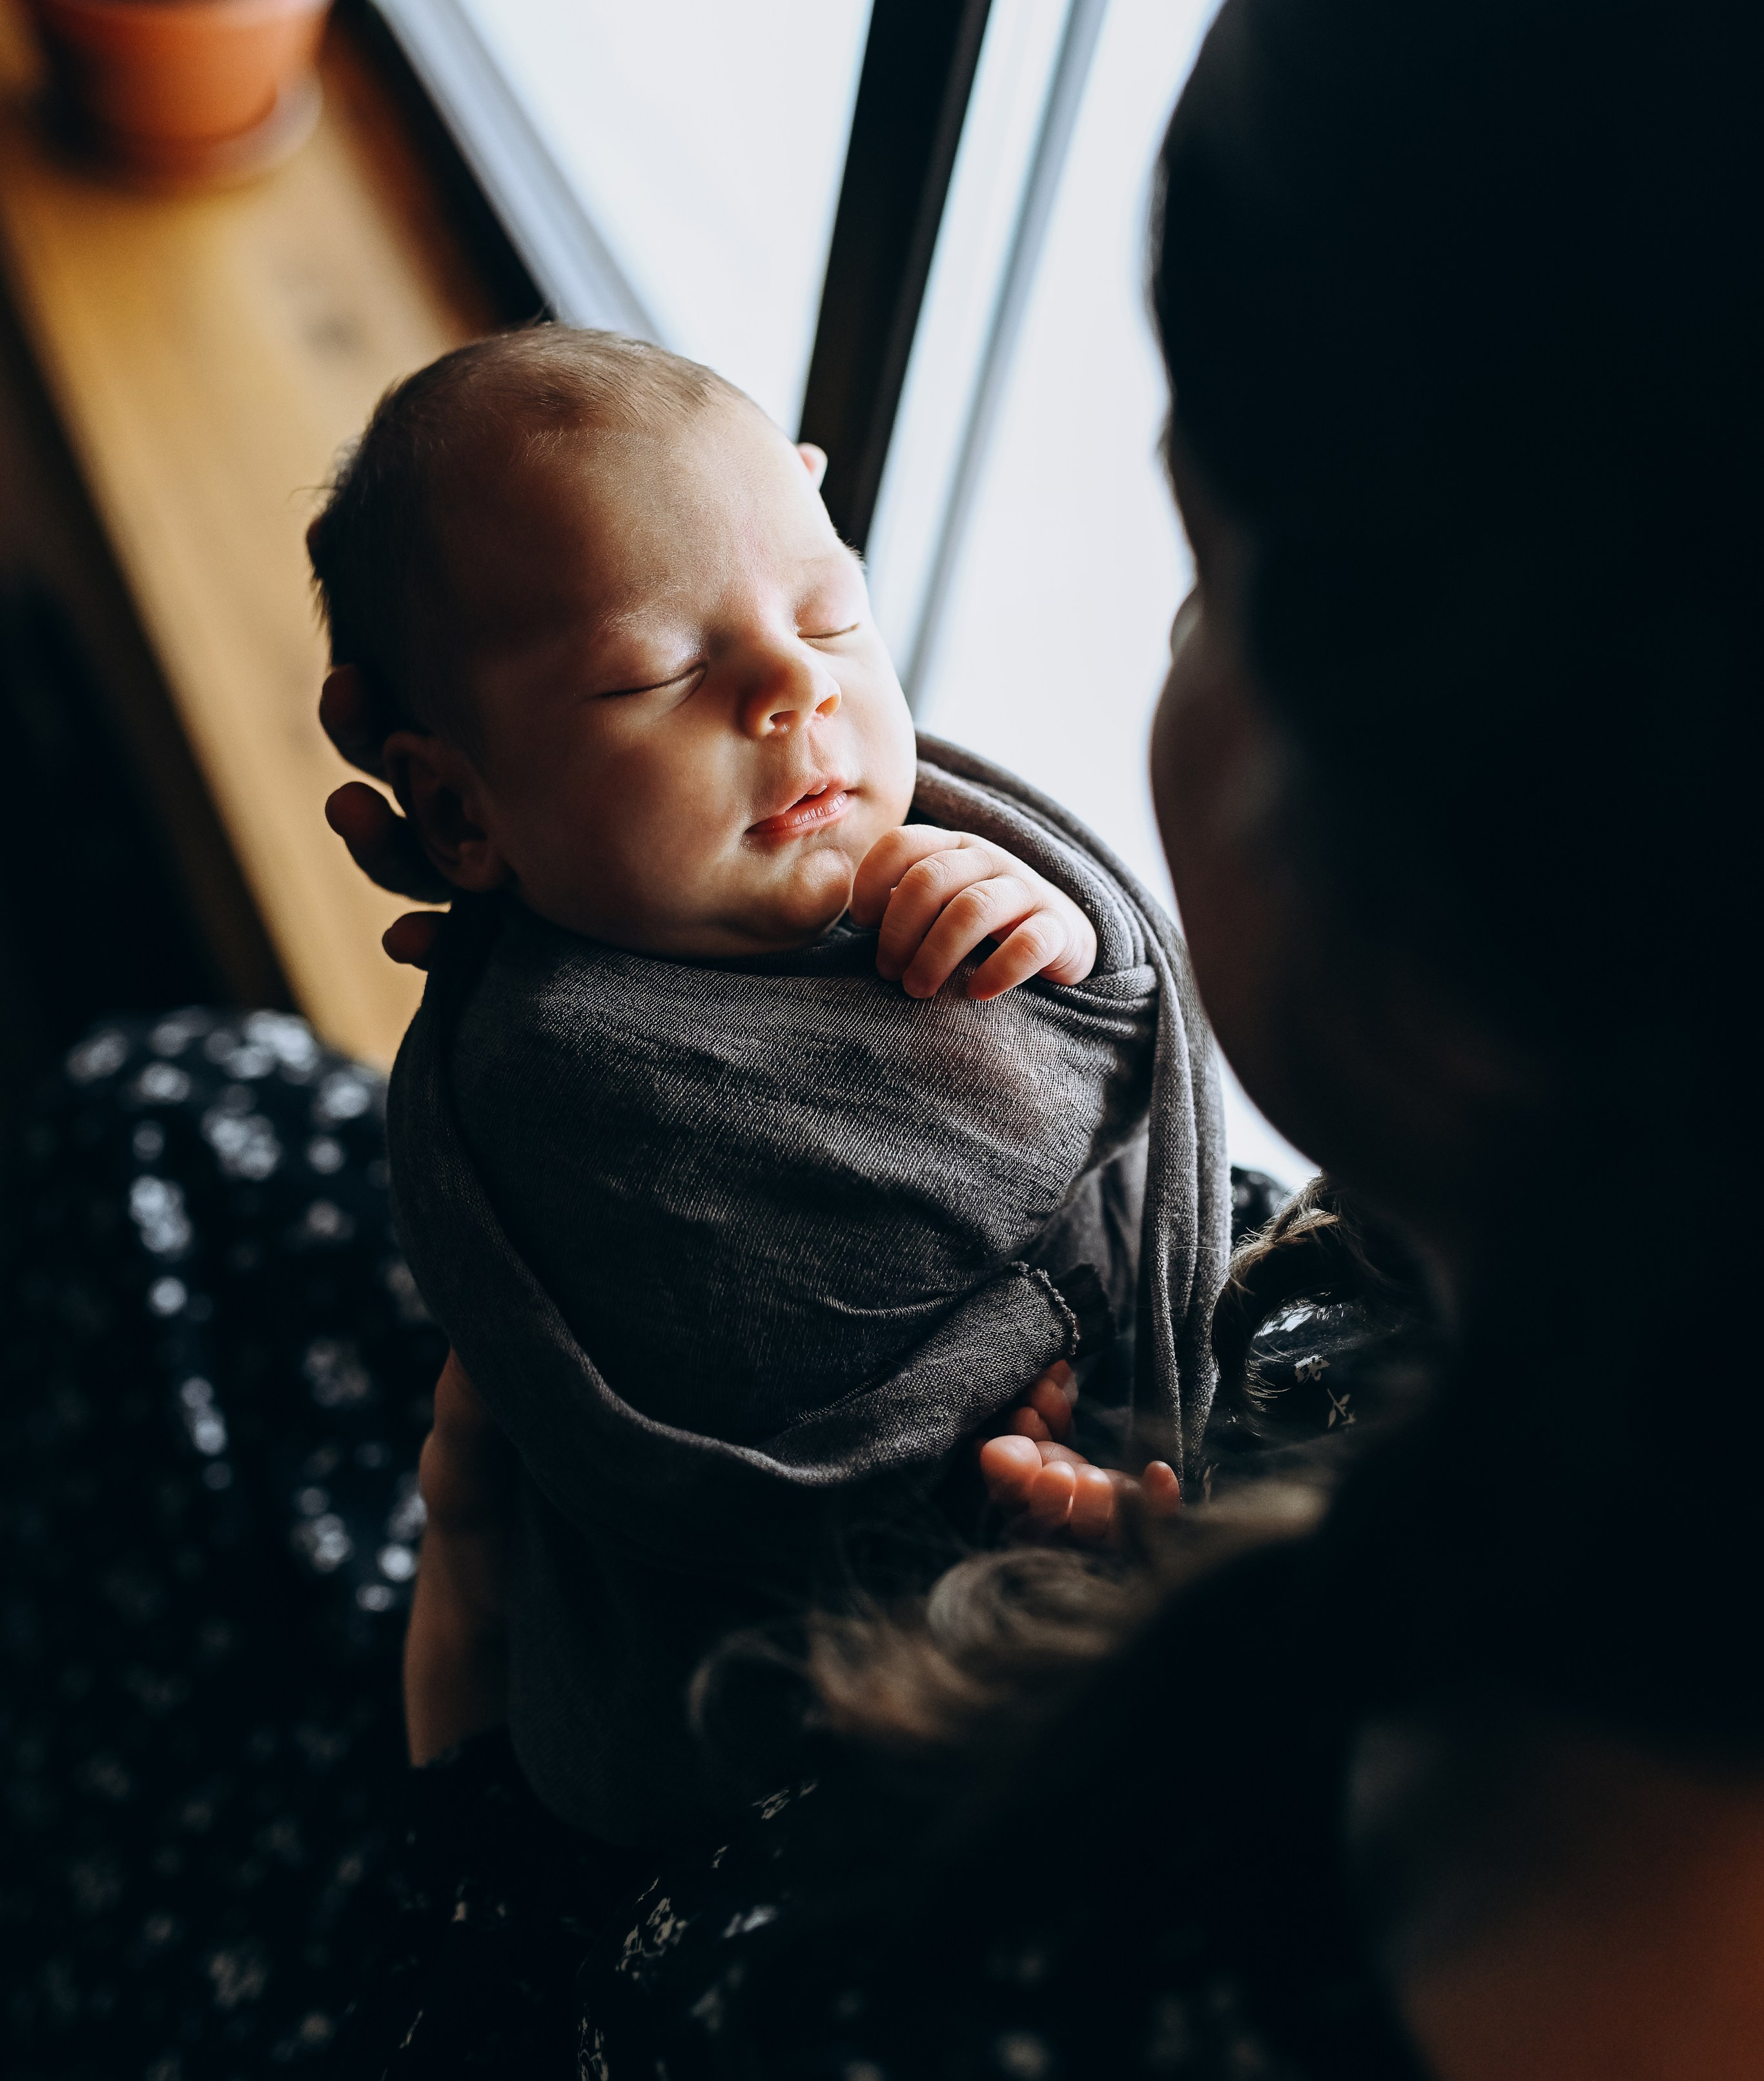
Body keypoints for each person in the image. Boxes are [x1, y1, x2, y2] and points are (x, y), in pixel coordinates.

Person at [306, 0, 1764, 2081]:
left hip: (596, 1817)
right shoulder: (1532, 1385)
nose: (835, 717)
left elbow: (520, 2071)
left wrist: (456, 1699)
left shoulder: (970, 2008)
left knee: (144, 1174)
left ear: (1447, 929)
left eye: (1205, 581)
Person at [302, 333, 1215, 1847]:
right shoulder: (560, 1075)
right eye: (657, 669)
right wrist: (1067, 1012)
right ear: (458, 806)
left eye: (830, 610)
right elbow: (1055, 1121)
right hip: (759, 1756)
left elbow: (1093, 1040)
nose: (795, 685)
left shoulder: (857, 870)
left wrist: (1041, 924)